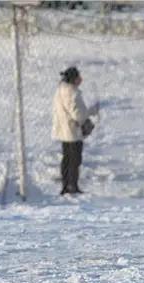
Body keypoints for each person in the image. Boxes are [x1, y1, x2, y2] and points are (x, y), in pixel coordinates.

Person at [52, 66, 98, 195]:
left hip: (63, 129)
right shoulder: (73, 93)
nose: (81, 79)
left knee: (66, 158)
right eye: (78, 77)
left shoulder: (60, 90)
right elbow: (78, 115)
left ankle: (66, 185)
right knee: (75, 159)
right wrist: (91, 111)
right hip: (73, 130)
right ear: (74, 79)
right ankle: (73, 186)